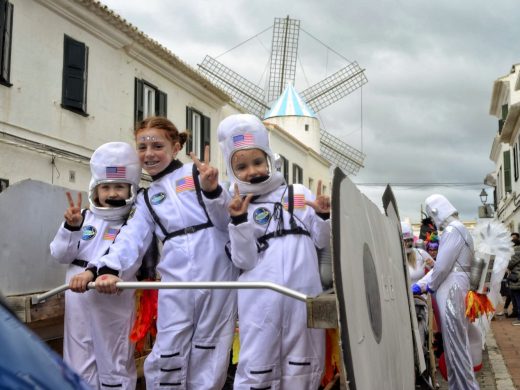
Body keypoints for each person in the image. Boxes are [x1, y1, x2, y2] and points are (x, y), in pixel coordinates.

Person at [75, 117, 237, 389]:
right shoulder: (146, 198)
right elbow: (130, 238)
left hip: (217, 275)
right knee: (167, 350)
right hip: (176, 280)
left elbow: (227, 222)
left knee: (209, 350)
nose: (149, 153)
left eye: (157, 145)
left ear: (175, 148)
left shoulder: (199, 174)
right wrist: (109, 270)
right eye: (142, 147)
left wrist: (213, 191)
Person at [194, 113, 329, 389]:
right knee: (257, 366)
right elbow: (244, 260)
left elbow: (322, 240)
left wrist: (325, 217)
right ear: (232, 171)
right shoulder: (237, 206)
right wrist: (240, 222)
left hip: (301, 298)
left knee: (302, 366)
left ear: (269, 158)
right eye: (241, 166)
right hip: (259, 303)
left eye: (257, 162)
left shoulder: (298, 194)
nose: (252, 171)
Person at [50, 142, 142, 389]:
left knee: (114, 360)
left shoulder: (134, 223)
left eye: (119, 187)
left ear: (130, 189)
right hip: (77, 296)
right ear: (96, 189)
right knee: (78, 361)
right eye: (106, 187)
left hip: (112, 297)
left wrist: (98, 273)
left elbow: (130, 259)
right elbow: (60, 254)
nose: (112, 193)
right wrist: (71, 228)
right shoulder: (82, 217)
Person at [412, 194, 479, 389]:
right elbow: (440, 267)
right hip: (455, 286)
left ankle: (465, 387)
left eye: (432, 216)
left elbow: (441, 267)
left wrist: (427, 285)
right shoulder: (459, 229)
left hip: (452, 288)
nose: (432, 222)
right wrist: (423, 284)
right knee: (455, 344)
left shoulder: (452, 229)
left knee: (456, 345)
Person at [401, 221, 434, 285]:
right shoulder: (393, 257)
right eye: (405, 241)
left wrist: (432, 265)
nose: (409, 244)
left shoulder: (420, 253)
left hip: (418, 294)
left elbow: (437, 271)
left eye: (410, 240)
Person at [507, 233, 520, 324]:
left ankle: (519, 318)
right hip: (517, 277)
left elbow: (510, 264)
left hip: (517, 278)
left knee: (518, 298)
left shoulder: (515, 251)